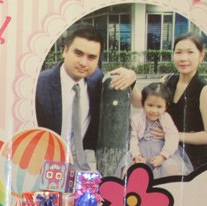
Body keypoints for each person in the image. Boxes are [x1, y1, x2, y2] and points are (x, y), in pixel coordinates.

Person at [35, 23, 137, 169]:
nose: (83, 63)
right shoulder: (39, 85)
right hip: (45, 164)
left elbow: (140, 103)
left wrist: (132, 76)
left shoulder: (97, 79)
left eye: (91, 57)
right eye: (78, 53)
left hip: (83, 164)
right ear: (65, 50)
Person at [133, 32, 207, 170]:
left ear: (201, 56)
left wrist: (173, 135)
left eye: (190, 52)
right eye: (178, 52)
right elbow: (142, 103)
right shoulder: (167, 80)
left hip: (193, 161)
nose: (183, 58)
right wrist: (131, 81)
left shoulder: (205, 89)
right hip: (165, 154)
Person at [118, 82, 193, 178]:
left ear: (165, 107)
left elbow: (173, 137)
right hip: (142, 151)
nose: (154, 110)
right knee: (128, 169)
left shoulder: (166, 118)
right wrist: (136, 155)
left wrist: (163, 156)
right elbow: (133, 139)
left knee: (171, 168)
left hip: (162, 150)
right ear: (143, 103)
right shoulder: (136, 119)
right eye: (150, 105)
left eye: (159, 107)